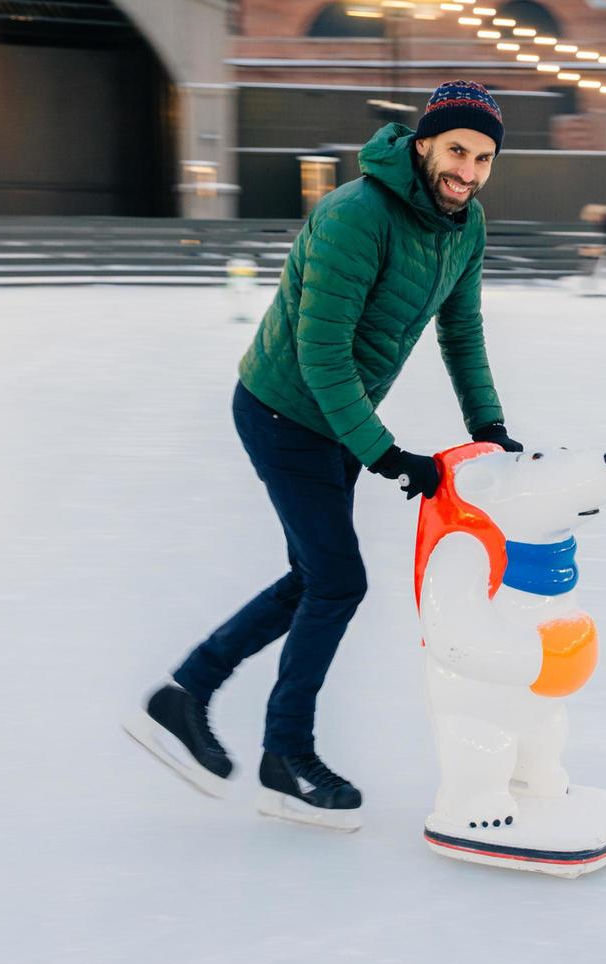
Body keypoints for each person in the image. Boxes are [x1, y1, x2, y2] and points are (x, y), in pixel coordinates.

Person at [124, 80, 524, 829]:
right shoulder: (355, 215)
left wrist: (491, 429)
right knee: (336, 581)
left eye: (484, 158)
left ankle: (186, 697)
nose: (468, 171)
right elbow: (321, 354)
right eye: (458, 151)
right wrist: (388, 455)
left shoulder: (464, 226)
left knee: (317, 575)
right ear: (425, 142)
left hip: (335, 418)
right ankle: (285, 757)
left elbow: (461, 334)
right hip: (283, 409)